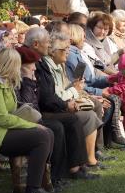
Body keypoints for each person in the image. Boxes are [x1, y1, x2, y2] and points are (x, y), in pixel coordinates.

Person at [0, 48, 55, 193]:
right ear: (10, 65)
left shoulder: (3, 81)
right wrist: (33, 125)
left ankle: (42, 183)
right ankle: (32, 189)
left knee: (48, 133)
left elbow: (11, 110)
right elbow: (1, 117)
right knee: (41, 136)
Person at [27, 28, 105, 171]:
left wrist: (76, 93)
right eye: (65, 49)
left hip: (51, 105)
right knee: (82, 117)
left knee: (93, 107)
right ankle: (80, 164)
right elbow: (49, 96)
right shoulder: (43, 65)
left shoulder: (51, 64)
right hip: (45, 109)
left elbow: (56, 93)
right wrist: (70, 99)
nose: (68, 52)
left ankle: (88, 158)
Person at [16, 46, 90, 188]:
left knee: (71, 120)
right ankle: (56, 176)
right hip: (35, 114)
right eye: (31, 65)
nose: (33, 68)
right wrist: (28, 81)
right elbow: (30, 103)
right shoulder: (27, 76)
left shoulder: (41, 67)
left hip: (40, 111)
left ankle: (76, 166)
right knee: (57, 126)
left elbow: (40, 99)